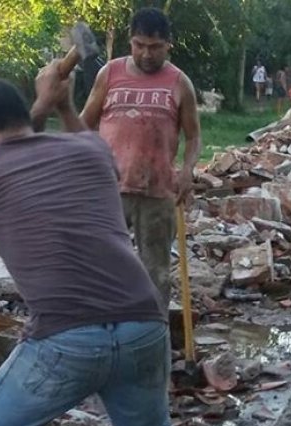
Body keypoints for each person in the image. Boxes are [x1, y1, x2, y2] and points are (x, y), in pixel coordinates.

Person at [0, 68, 175, 426]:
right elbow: (72, 137)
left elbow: (9, 150)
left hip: (66, 340)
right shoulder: (92, 152)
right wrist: (61, 105)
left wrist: (45, 104)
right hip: (144, 325)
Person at [81, 7, 201, 306]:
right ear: (130, 42)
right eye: (140, 45)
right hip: (109, 189)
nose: (147, 54)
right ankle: (107, 327)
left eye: (155, 47)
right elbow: (84, 123)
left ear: (168, 45)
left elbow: (194, 136)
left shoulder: (179, 82)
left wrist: (187, 170)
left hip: (157, 192)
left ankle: (153, 333)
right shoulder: (109, 74)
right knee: (103, 265)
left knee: (155, 272)